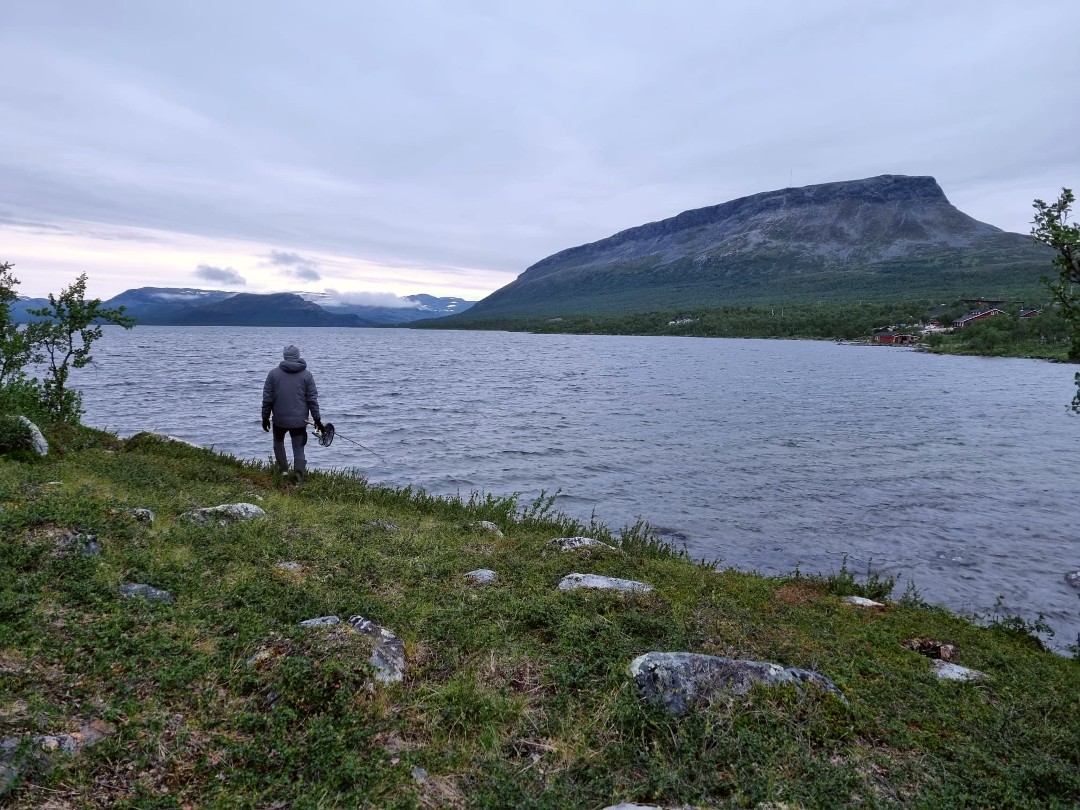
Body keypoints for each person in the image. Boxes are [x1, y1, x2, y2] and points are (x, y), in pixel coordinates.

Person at [262, 344, 323, 483]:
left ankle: (283, 472)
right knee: (298, 448)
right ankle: (298, 478)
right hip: (299, 421)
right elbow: (312, 400)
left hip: (279, 420)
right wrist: (317, 419)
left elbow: (267, 398)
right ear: (298, 356)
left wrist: (265, 417)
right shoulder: (307, 375)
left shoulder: (273, 374)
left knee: (278, 442)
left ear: (284, 356)